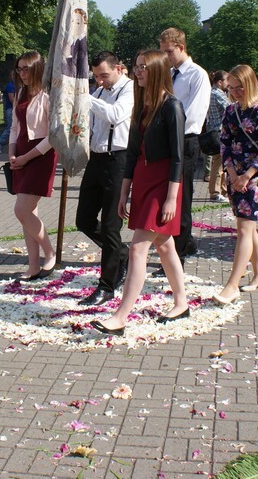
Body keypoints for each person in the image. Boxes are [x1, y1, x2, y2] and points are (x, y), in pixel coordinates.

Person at [90, 50, 187, 336]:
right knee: (165, 246)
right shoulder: (142, 105)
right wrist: (124, 193)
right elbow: (132, 152)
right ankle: (182, 302)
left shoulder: (172, 106)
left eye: (143, 67)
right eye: (137, 66)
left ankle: (121, 316)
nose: (138, 71)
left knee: (137, 248)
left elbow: (179, 158)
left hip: (163, 183)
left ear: (157, 70)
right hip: (144, 180)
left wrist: (171, 197)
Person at [212, 65, 258, 304]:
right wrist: (230, 172)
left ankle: (232, 284)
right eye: (232, 88)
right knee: (247, 226)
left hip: (256, 175)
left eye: (240, 87)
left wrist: (247, 175)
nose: (236, 92)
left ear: (251, 84)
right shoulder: (231, 110)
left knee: (244, 230)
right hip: (234, 173)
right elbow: (224, 143)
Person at [75, 51, 134, 306]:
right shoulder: (98, 92)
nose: (100, 81)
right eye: (96, 76)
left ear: (119, 69)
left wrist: (86, 98)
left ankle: (107, 286)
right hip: (97, 159)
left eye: (104, 75)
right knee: (84, 220)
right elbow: (89, 122)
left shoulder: (130, 89)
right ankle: (121, 252)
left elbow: (115, 115)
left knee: (111, 226)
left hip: (118, 161)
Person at [158, 27, 210, 266]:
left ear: (181, 47)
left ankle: (178, 253)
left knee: (182, 196)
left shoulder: (197, 74)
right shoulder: (170, 73)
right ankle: (184, 241)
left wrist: (169, 128)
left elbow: (194, 112)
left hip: (185, 138)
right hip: (167, 137)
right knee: (169, 194)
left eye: (169, 51)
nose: (166, 55)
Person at [9, 50, 59, 281]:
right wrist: (11, 153)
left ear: (38, 68)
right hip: (20, 153)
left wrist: (27, 157)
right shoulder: (20, 92)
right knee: (27, 213)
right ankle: (33, 266)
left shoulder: (49, 96)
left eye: (26, 68)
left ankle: (50, 253)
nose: (22, 73)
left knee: (22, 209)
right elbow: (15, 127)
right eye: (19, 69)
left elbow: (53, 135)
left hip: (40, 154)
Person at [204, 70, 230, 202]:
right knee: (218, 163)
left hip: (214, 130)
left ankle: (222, 190)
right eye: (227, 81)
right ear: (220, 82)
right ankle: (215, 192)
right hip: (219, 131)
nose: (229, 84)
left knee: (219, 162)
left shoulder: (212, 92)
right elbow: (231, 108)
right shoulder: (217, 94)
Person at [0, 76, 16, 153]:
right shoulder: (11, 86)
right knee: (10, 128)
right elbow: (12, 99)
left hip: (14, 109)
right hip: (11, 109)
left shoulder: (18, 85)